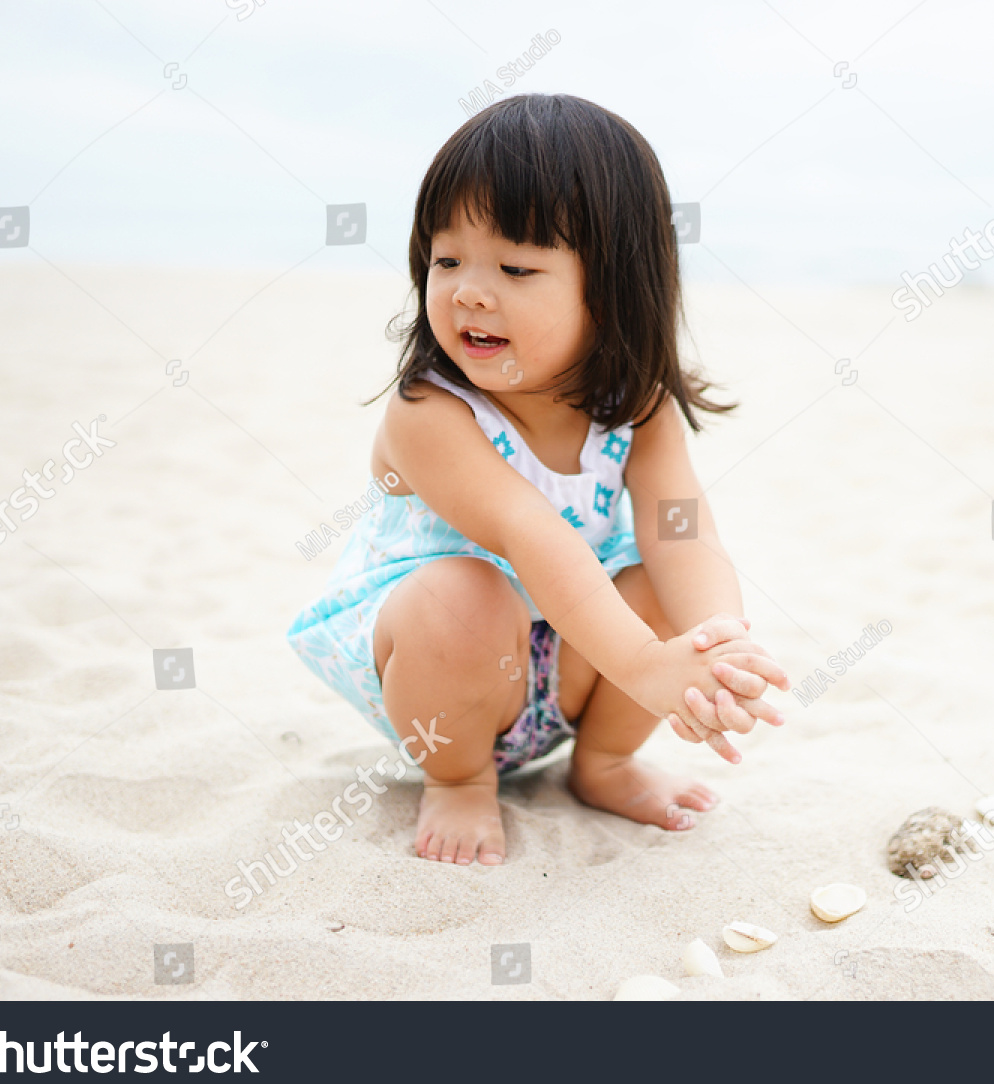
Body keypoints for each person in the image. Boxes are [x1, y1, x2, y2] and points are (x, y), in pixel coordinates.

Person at [289, 94, 789, 866]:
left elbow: (682, 529)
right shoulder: (429, 412)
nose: (468, 290)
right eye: (447, 260)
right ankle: (459, 779)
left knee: (660, 580)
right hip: (444, 680)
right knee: (462, 596)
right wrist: (646, 665)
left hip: (575, 667)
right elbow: (530, 533)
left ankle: (604, 763)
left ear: (612, 287)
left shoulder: (638, 405)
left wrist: (719, 647)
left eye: (516, 267)